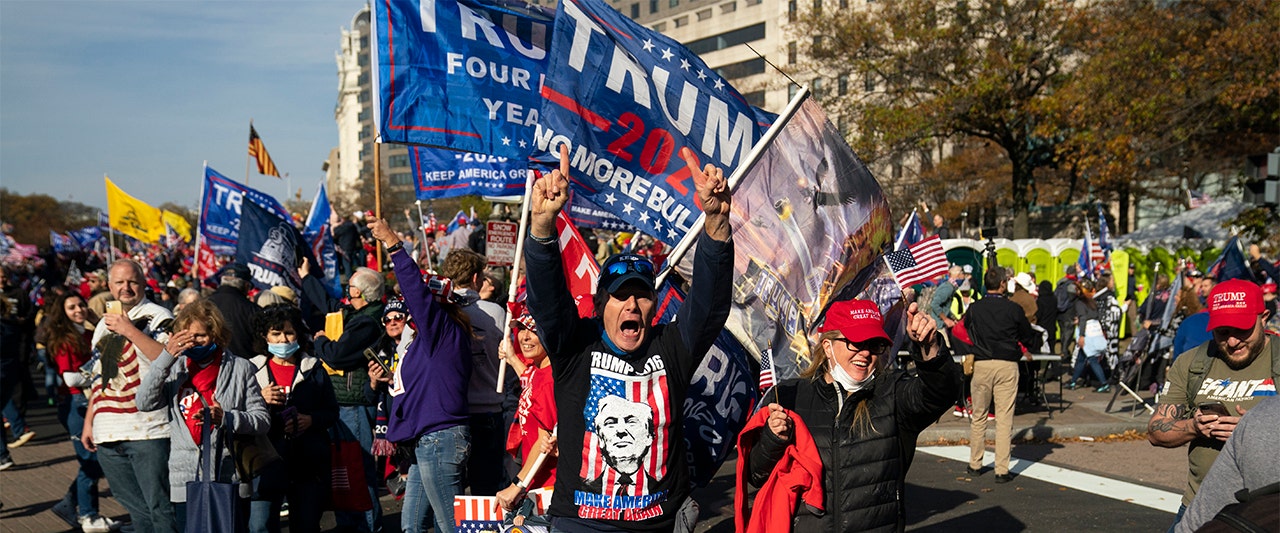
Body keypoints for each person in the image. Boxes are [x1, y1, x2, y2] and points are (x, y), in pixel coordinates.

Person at [522, 145, 734, 531]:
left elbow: (709, 305)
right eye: (620, 295)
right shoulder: (576, 346)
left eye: (641, 295)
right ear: (602, 306)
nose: (632, 304)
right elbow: (548, 302)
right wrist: (541, 228)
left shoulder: (671, 347)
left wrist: (717, 223)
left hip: (658, 523)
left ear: (655, 305)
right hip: (582, 524)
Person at [738, 299, 958, 532]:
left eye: (875, 344)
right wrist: (774, 439)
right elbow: (755, 475)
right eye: (855, 342)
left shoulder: (893, 392)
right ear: (827, 346)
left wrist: (929, 348)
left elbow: (941, 393)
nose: (865, 353)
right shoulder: (790, 396)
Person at [366, 216, 473, 533]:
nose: (410, 310)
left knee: (450, 526)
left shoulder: (441, 329)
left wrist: (393, 243)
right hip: (425, 442)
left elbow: (414, 289)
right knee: (412, 524)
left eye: (417, 305)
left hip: (440, 439)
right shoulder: (427, 340)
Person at [1147, 278, 1278, 531]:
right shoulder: (1192, 363)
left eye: (1242, 330)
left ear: (1264, 318)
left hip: (1267, 513)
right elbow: (1155, 431)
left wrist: (1252, 432)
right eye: (1222, 332)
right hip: (1200, 507)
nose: (1232, 342)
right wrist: (1193, 427)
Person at [136, 299, 271, 531]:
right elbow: (144, 402)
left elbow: (262, 420)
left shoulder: (240, 368)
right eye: (187, 336)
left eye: (200, 336)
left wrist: (227, 418)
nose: (193, 342)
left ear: (216, 334)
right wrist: (165, 357)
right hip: (186, 479)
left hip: (230, 476)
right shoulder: (174, 368)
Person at [81, 259, 179, 533]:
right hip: (108, 431)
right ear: (109, 286)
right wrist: (90, 420)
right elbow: (101, 377)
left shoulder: (158, 315)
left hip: (149, 430)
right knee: (135, 509)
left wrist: (129, 330)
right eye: (119, 282)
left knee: (160, 507)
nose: (126, 288)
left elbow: (167, 359)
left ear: (143, 283)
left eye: (132, 281)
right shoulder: (103, 324)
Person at [247, 304, 338, 533]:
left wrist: (311, 420)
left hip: (307, 461)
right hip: (265, 460)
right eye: (275, 334)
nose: (283, 340)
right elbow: (240, 413)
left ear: (297, 333)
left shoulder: (313, 367)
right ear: (264, 336)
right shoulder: (251, 369)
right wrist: (260, 398)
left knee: (306, 525)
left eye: (288, 332)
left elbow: (331, 411)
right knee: (260, 526)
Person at [312, 266, 386, 533]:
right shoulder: (360, 316)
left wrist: (321, 342)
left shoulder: (366, 321)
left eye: (351, 290)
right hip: (345, 402)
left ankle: (367, 526)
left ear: (361, 293)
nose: (347, 296)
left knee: (357, 470)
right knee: (345, 471)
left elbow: (338, 354)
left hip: (353, 403)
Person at [44, 293, 117, 532]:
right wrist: (97, 373)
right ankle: (88, 514)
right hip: (76, 403)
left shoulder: (87, 334)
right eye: (72, 306)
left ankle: (71, 504)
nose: (79, 309)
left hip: (92, 401)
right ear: (62, 312)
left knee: (94, 461)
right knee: (90, 461)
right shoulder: (63, 339)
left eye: (81, 305)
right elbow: (70, 377)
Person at [439, 248, 508, 496]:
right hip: (485, 408)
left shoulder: (439, 312)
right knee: (486, 491)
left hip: (451, 413)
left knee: (449, 491)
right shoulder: (495, 313)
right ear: (477, 278)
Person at [964, 267, 1043, 483]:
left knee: (979, 415)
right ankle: (1001, 468)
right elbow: (1027, 335)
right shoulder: (1013, 309)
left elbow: (965, 328)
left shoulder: (975, 308)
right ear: (1001, 284)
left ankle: (975, 463)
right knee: (1004, 418)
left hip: (981, 363)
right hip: (1007, 363)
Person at [1173, 397, 1279, 533]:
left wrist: (1253, 427)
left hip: (1250, 516)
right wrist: (1194, 426)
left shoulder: (1264, 413)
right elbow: (1156, 432)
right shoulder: (1264, 412)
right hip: (1198, 501)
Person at [495, 313, 558, 514]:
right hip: (536, 479)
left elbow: (544, 442)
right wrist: (512, 358)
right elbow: (529, 381)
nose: (525, 337)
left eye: (534, 331)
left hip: (549, 483)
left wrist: (516, 485)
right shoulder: (539, 371)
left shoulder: (549, 380)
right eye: (522, 329)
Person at [207, 263, 260, 360]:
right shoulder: (253, 310)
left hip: (209, 365)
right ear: (246, 285)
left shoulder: (203, 305)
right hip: (244, 366)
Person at [1066, 279, 1110, 392]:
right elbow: (1095, 315)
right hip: (1096, 331)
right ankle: (1073, 382)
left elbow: (1083, 317)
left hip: (1087, 334)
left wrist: (1081, 335)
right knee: (1081, 359)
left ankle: (1104, 383)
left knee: (1092, 359)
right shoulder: (1092, 301)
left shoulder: (1080, 303)